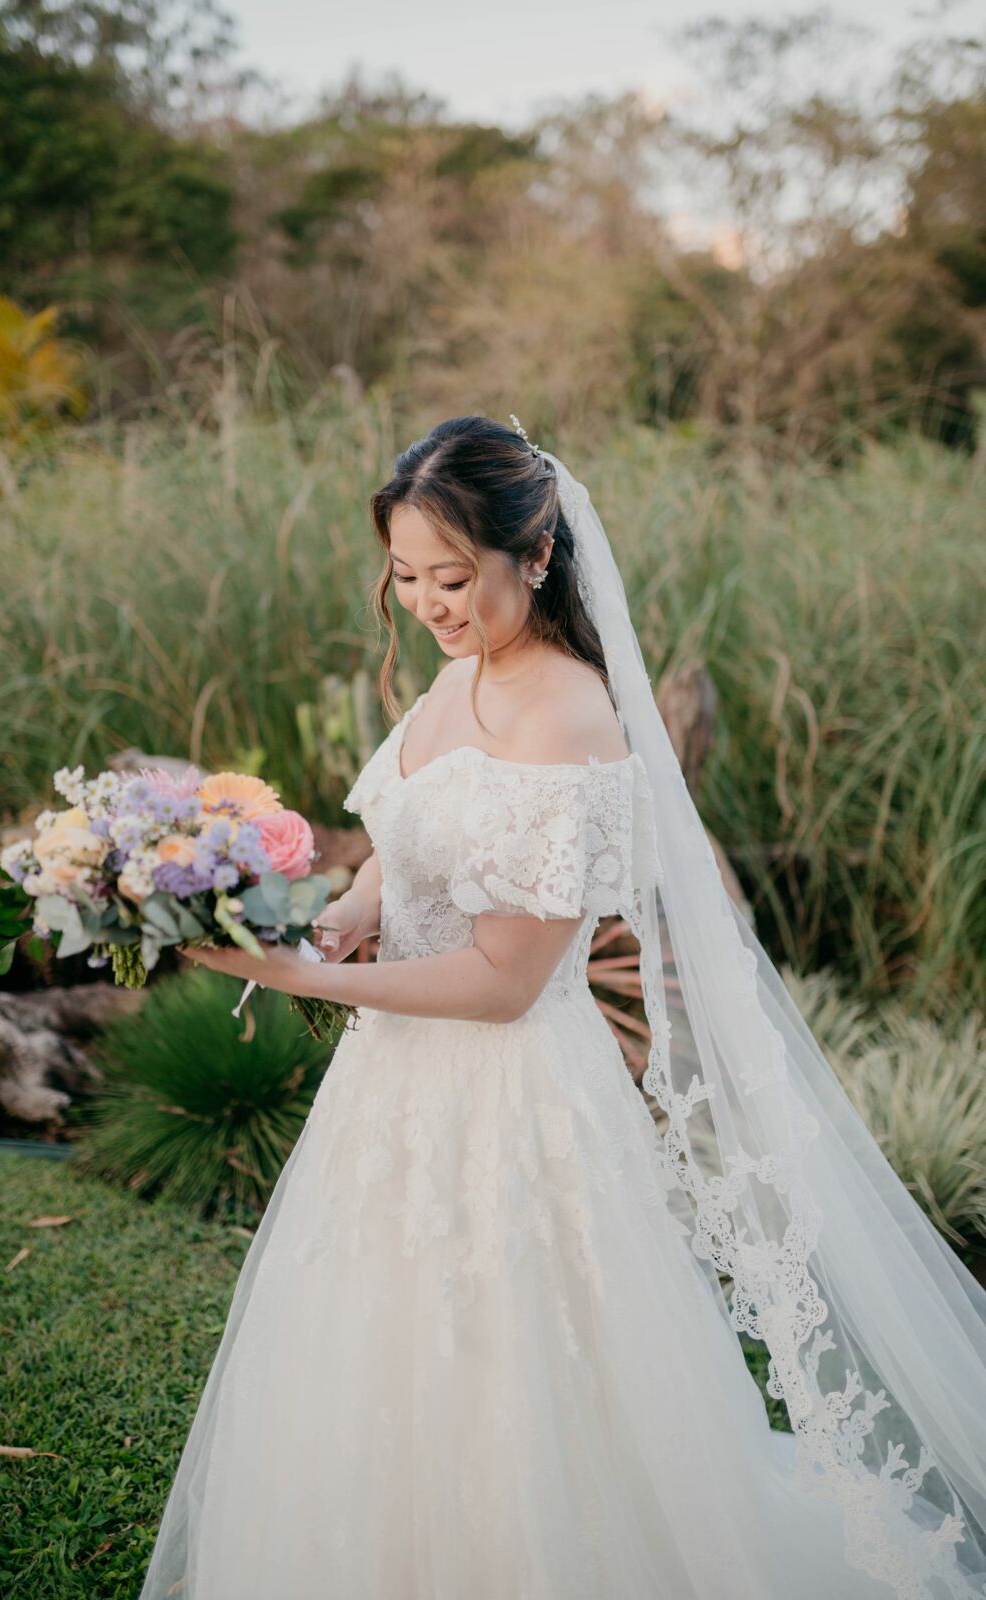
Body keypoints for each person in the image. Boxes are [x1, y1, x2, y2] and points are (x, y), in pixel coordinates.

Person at [144, 415, 986, 1599]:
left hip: (513, 1105)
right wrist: (337, 916)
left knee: (519, 1383)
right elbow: (404, 837)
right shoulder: (454, 678)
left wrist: (303, 978)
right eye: (406, 575)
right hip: (389, 1093)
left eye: (454, 576)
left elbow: (504, 980)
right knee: (372, 1356)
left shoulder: (568, 715)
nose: (431, 604)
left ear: (534, 557)